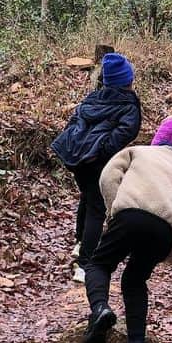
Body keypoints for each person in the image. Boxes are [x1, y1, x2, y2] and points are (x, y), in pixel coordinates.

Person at [81, 115, 172, 343]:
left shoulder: (139, 152)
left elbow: (108, 177)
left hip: (130, 214)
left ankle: (100, 309)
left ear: (160, 138)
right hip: (166, 231)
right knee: (134, 280)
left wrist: (115, 210)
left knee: (99, 265)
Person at [51, 53, 141, 282]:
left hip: (76, 157)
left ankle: (80, 241)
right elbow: (127, 131)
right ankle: (84, 264)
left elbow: (74, 121)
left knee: (87, 197)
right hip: (96, 160)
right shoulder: (128, 104)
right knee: (96, 208)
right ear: (127, 81)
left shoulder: (93, 98)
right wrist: (103, 151)